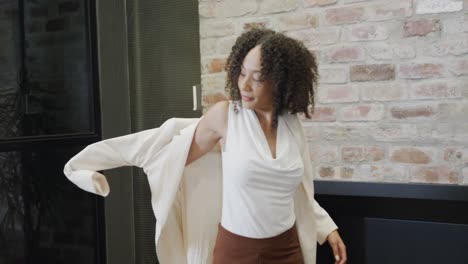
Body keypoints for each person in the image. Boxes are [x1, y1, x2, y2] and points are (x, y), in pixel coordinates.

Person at [64, 28, 347, 264]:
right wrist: (90, 162)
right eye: (241, 73)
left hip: (287, 251)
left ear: (282, 81)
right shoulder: (226, 118)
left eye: (258, 77)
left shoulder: (291, 126)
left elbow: (296, 189)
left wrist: (326, 227)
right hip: (236, 252)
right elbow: (164, 152)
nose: (244, 85)